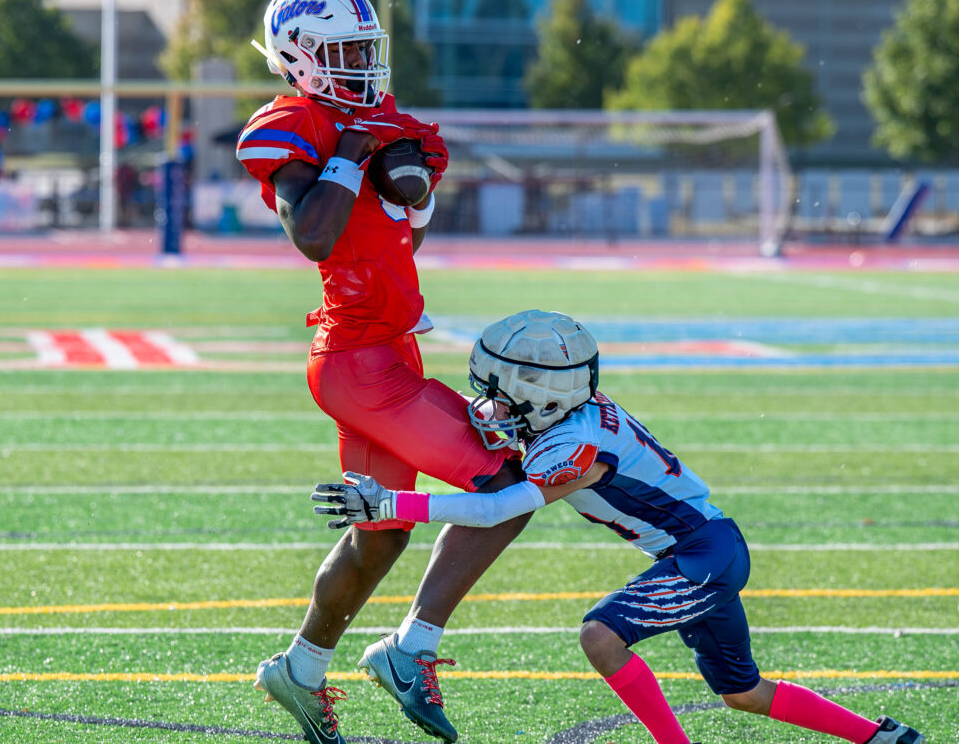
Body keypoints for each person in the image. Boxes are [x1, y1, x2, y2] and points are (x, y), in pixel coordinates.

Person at [313, 309, 926, 744]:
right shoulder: (571, 415)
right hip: (702, 550)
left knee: (601, 637)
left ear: (544, 398)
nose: (489, 406)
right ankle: (881, 736)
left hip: (702, 554)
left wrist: (391, 504)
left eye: (501, 395)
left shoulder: (573, 447)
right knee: (744, 693)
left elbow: (497, 509)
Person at [235, 0, 530, 744]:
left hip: (383, 349)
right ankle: (411, 648)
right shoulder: (295, 123)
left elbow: (401, 240)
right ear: (300, 56)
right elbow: (313, 235)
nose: (362, 65)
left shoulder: (374, 120)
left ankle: (299, 669)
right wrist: (351, 154)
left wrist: (414, 192)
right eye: (344, 51)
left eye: (366, 49)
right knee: (508, 482)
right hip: (362, 363)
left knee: (382, 531)